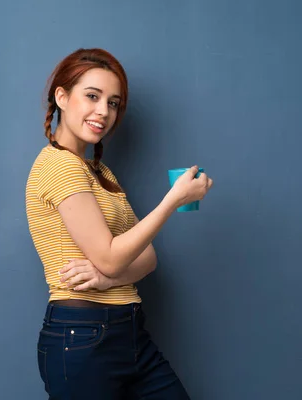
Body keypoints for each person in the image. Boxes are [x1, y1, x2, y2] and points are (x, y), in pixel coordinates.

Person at [25, 48, 213, 400]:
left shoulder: (100, 173)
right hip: (82, 337)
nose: (103, 112)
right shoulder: (59, 166)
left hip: (130, 334)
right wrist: (173, 200)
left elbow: (147, 258)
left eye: (113, 103)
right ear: (62, 97)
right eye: (92, 96)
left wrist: (107, 276)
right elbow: (115, 256)